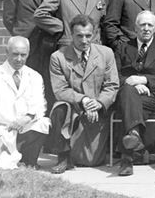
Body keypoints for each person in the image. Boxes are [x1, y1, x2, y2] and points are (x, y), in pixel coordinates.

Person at [48, 15, 120, 172]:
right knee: (59, 108)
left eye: (88, 35)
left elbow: (112, 85)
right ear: (71, 34)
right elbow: (60, 90)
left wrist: (99, 103)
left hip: (97, 111)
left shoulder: (106, 54)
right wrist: (84, 100)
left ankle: (81, 152)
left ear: (94, 34)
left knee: (91, 161)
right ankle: (63, 157)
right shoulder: (58, 57)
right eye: (79, 35)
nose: (84, 40)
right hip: (73, 108)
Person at [114, 10, 155, 176]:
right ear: (135, 27)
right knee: (128, 92)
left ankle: (130, 154)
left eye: (150, 25)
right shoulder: (123, 47)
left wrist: (144, 80)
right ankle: (134, 142)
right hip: (128, 94)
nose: (146, 28)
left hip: (154, 97)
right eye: (142, 25)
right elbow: (114, 76)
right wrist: (130, 83)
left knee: (129, 100)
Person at [0, 36, 50, 168]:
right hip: (1, 131)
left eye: (23, 54)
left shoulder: (34, 76)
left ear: (28, 54)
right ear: (6, 52)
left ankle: (28, 159)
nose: (19, 59)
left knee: (43, 123)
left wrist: (27, 117)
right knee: (2, 166)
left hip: (24, 127)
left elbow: (40, 105)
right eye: (15, 54)